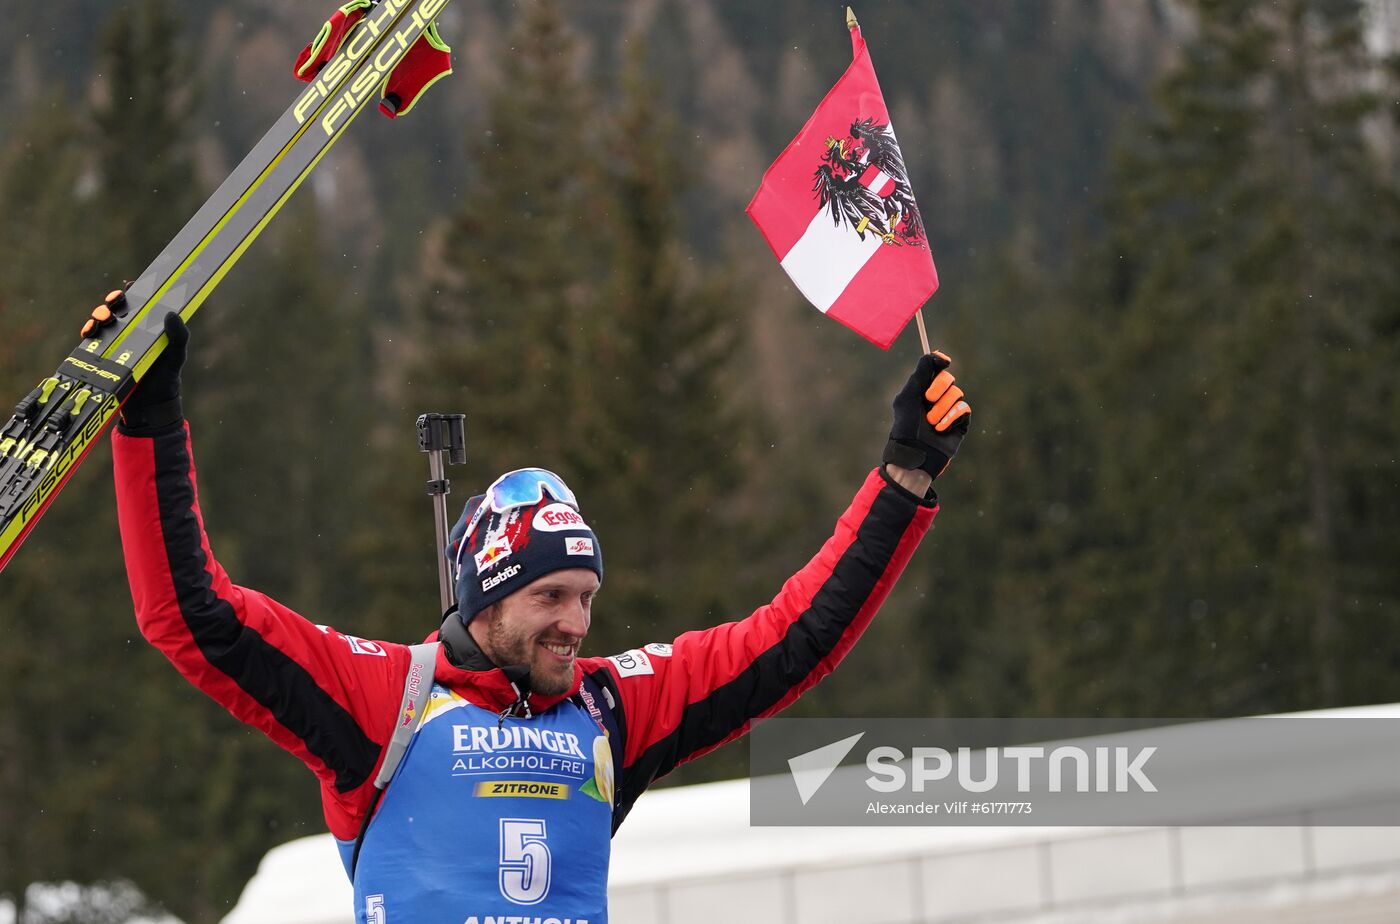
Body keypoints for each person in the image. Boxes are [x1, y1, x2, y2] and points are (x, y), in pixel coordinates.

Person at [113, 311, 971, 924]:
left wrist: (902, 481)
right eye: (549, 597)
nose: (575, 623)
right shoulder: (387, 699)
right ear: (486, 597)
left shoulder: (611, 710)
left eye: (586, 597)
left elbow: (795, 637)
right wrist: (148, 421)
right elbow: (193, 617)